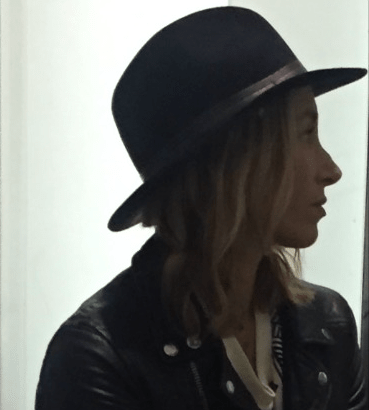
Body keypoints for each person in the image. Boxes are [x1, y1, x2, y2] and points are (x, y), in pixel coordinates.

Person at [35, 7, 367, 410]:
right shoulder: (99, 359)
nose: (332, 170)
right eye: (306, 132)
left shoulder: (327, 326)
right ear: (233, 162)